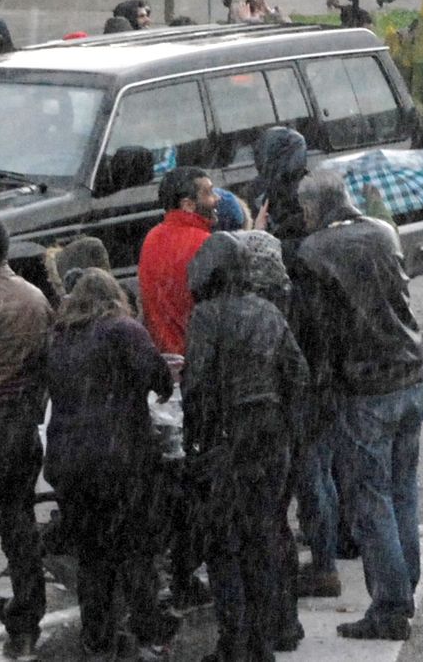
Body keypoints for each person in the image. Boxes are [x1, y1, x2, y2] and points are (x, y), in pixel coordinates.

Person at [294, 171, 423, 641]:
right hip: (408, 374)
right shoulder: (381, 232)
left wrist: (318, 393)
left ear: (315, 207)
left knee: (371, 500)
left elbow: (318, 333)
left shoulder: (315, 252)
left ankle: (390, 604)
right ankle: (403, 585)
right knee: (403, 490)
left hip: (364, 386)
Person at [183, 233, 309, 662]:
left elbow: (197, 385)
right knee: (265, 536)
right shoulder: (268, 311)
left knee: (224, 546)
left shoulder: (206, 316)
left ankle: (235, 642)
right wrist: (288, 428)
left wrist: (194, 441)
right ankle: (268, 634)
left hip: (228, 438)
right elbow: (298, 373)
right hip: (270, 437)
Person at [45, 269, 177, 659]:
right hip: (121, 461)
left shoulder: (59, 338)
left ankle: (97, 640)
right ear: (115, 296)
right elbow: (161, 383)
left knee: (92, 556)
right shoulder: (124, 329)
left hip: (70, 462)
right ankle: (149, 632)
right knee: (135, 549)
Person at [0, 222, 49, 662]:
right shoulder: (33, 299)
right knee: (19, 524)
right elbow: (44, 368)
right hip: (18, 425)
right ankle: (26, 621)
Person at [138, 166, 217, 357]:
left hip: (166, 356)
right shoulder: (205, 244)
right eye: (209, 193)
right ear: (188, 205)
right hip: (199, 357)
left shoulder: (152, 238)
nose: (217, 199)